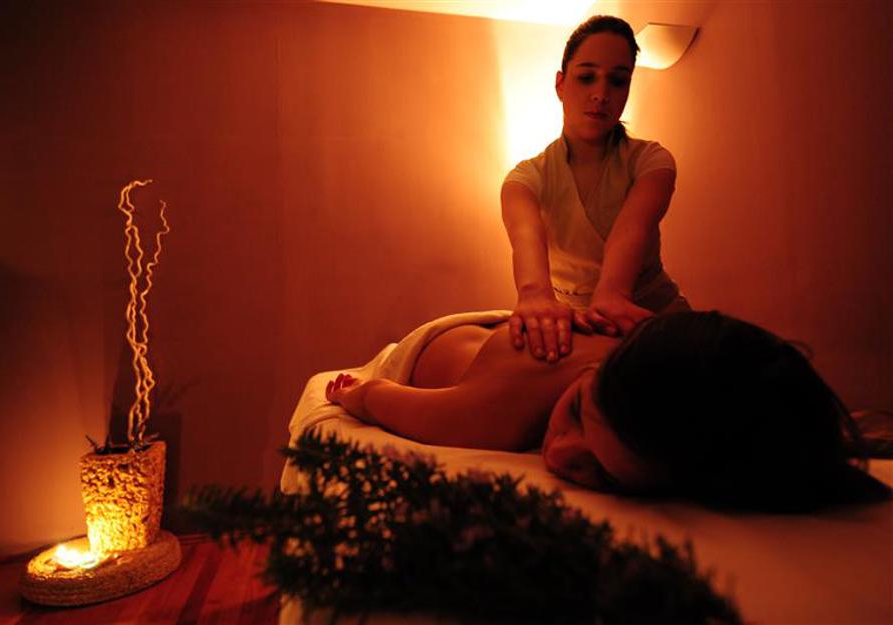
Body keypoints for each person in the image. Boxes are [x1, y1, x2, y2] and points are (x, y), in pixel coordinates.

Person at [326, 311, 887, 511]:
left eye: (601, 471)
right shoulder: (490, 415)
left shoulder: (669, 362)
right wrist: (355, 394)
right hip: (440, 342)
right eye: (576, 411)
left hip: (516, 336)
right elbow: (384, 399)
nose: (560, 453)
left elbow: (747, 382)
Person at [501, 15, 688, 364]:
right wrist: (534, 296)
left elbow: (633, 228)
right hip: (573, 333)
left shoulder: (652, 161)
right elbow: (527, 248)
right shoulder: (524, 180)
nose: (601, 94)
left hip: (654, 320)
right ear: (560, 84)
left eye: (618, 81)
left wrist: (612, 294)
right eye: (586, 77)